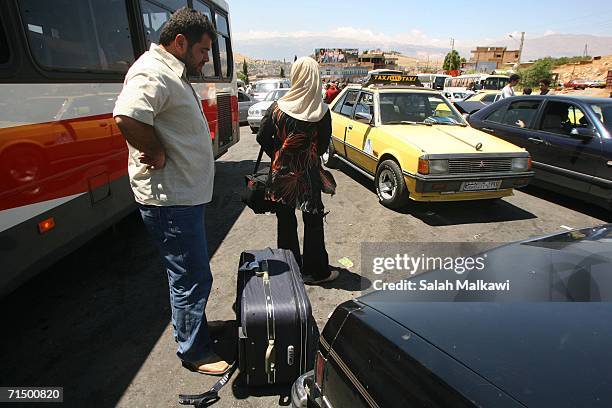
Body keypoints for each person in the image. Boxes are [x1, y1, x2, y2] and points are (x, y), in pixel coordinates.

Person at [113, 8, 229, 375]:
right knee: (193, 276)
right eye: (203, 50)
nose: (207, 58)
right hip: (171, 199)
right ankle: (195, 350)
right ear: (180, 42)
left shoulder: (170, 70)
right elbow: (128, 115)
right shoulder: (152, 71)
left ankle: (190, 330)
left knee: (187, 274)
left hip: (182, 197)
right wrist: (158, 152)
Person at [256, 57, 339, 285]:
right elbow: (322, 145)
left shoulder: (277, 108)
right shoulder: (321, 111)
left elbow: (262, 137)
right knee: (313, 221)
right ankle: (316, 271)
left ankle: (290, 270)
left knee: (286, 222)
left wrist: (281, 152)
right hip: (308, 175)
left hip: (281, 174)